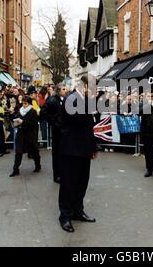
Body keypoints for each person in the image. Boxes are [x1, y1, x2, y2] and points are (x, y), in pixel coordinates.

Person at [58, 75, 97, 233]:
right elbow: (74, 121)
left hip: (84, 149)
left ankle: (77, 211)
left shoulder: (86, 101)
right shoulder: (71, 99)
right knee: (68, 183)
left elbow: (89, 128)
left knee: (82, 182)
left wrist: (93, 148)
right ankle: (65, 216)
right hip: (71, 149)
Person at [41, 84, 68, 183]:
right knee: (57, 153)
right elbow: (43, 112)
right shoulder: (52, 100)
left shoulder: (62, 99)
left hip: (62, 131)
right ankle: (56, 175)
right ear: (58, 90)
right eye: (63, 89)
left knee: (62, 153)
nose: (66, 90)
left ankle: (62, 173)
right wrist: (53, 121)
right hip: (57, 131)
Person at [9, 96, 41, 177]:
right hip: (21, 134)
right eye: (23, 103)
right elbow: (15, 118)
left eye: (25, 103)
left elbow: (33, 124)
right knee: (18, 152)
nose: (23, 105)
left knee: (34, 151)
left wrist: (22, 122)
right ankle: (15, 169)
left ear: (29, 103)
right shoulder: (20, 110)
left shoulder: (33, 111)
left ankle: (38, 165)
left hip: (30, 134)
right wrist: (12, 114)